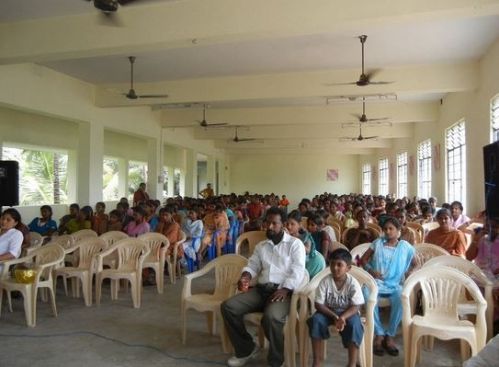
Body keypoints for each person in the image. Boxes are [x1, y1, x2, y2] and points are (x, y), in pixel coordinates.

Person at [221, 207, 306, 367]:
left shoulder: (295, 245)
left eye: (274, 223)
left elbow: (298, 271)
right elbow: (252, 265)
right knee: (228, 307)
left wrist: (285, 289)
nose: (269, 227)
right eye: (267, 222)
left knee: (272, 317)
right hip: (261, 290)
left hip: (283, 293)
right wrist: (245, 276)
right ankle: (246, 348)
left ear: (283, 224)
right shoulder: (261, 246)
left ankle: (276, 361)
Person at [360, 217, 416, 357]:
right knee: (367, 293)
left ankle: (390, 335)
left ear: (398, 231)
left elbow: (416, 263)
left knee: (401, 297)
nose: (388, 231)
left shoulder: (405, 247)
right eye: (385, 229)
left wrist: (408, 273)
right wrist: (371, 270)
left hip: (394, 283)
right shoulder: (377, 243)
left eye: (391, 229)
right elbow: (363, 259)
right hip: (377, 282)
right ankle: (379, 334)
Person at [307, 249, 365, 367]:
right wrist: (334, 316)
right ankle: (317, 361)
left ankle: (352, 363)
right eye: (332, 264)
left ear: (348, 268)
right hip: (328, 312)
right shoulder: (325, 281)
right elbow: (318, 304)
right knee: (315, 321)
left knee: (355, 326)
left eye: (340, 265)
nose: (335, 268)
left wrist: (342, 317)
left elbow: (356, 305)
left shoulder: (352, 283)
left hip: (348, 313)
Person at [286, 210, 325, 279]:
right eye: (287, 224)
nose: (289, 227)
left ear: (299, 225)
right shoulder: (286, 236)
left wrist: (292, 239)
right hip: (300, 264)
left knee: (304, 283)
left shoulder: (305, 236)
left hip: (314, 262)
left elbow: (307, 251)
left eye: (292, 224)